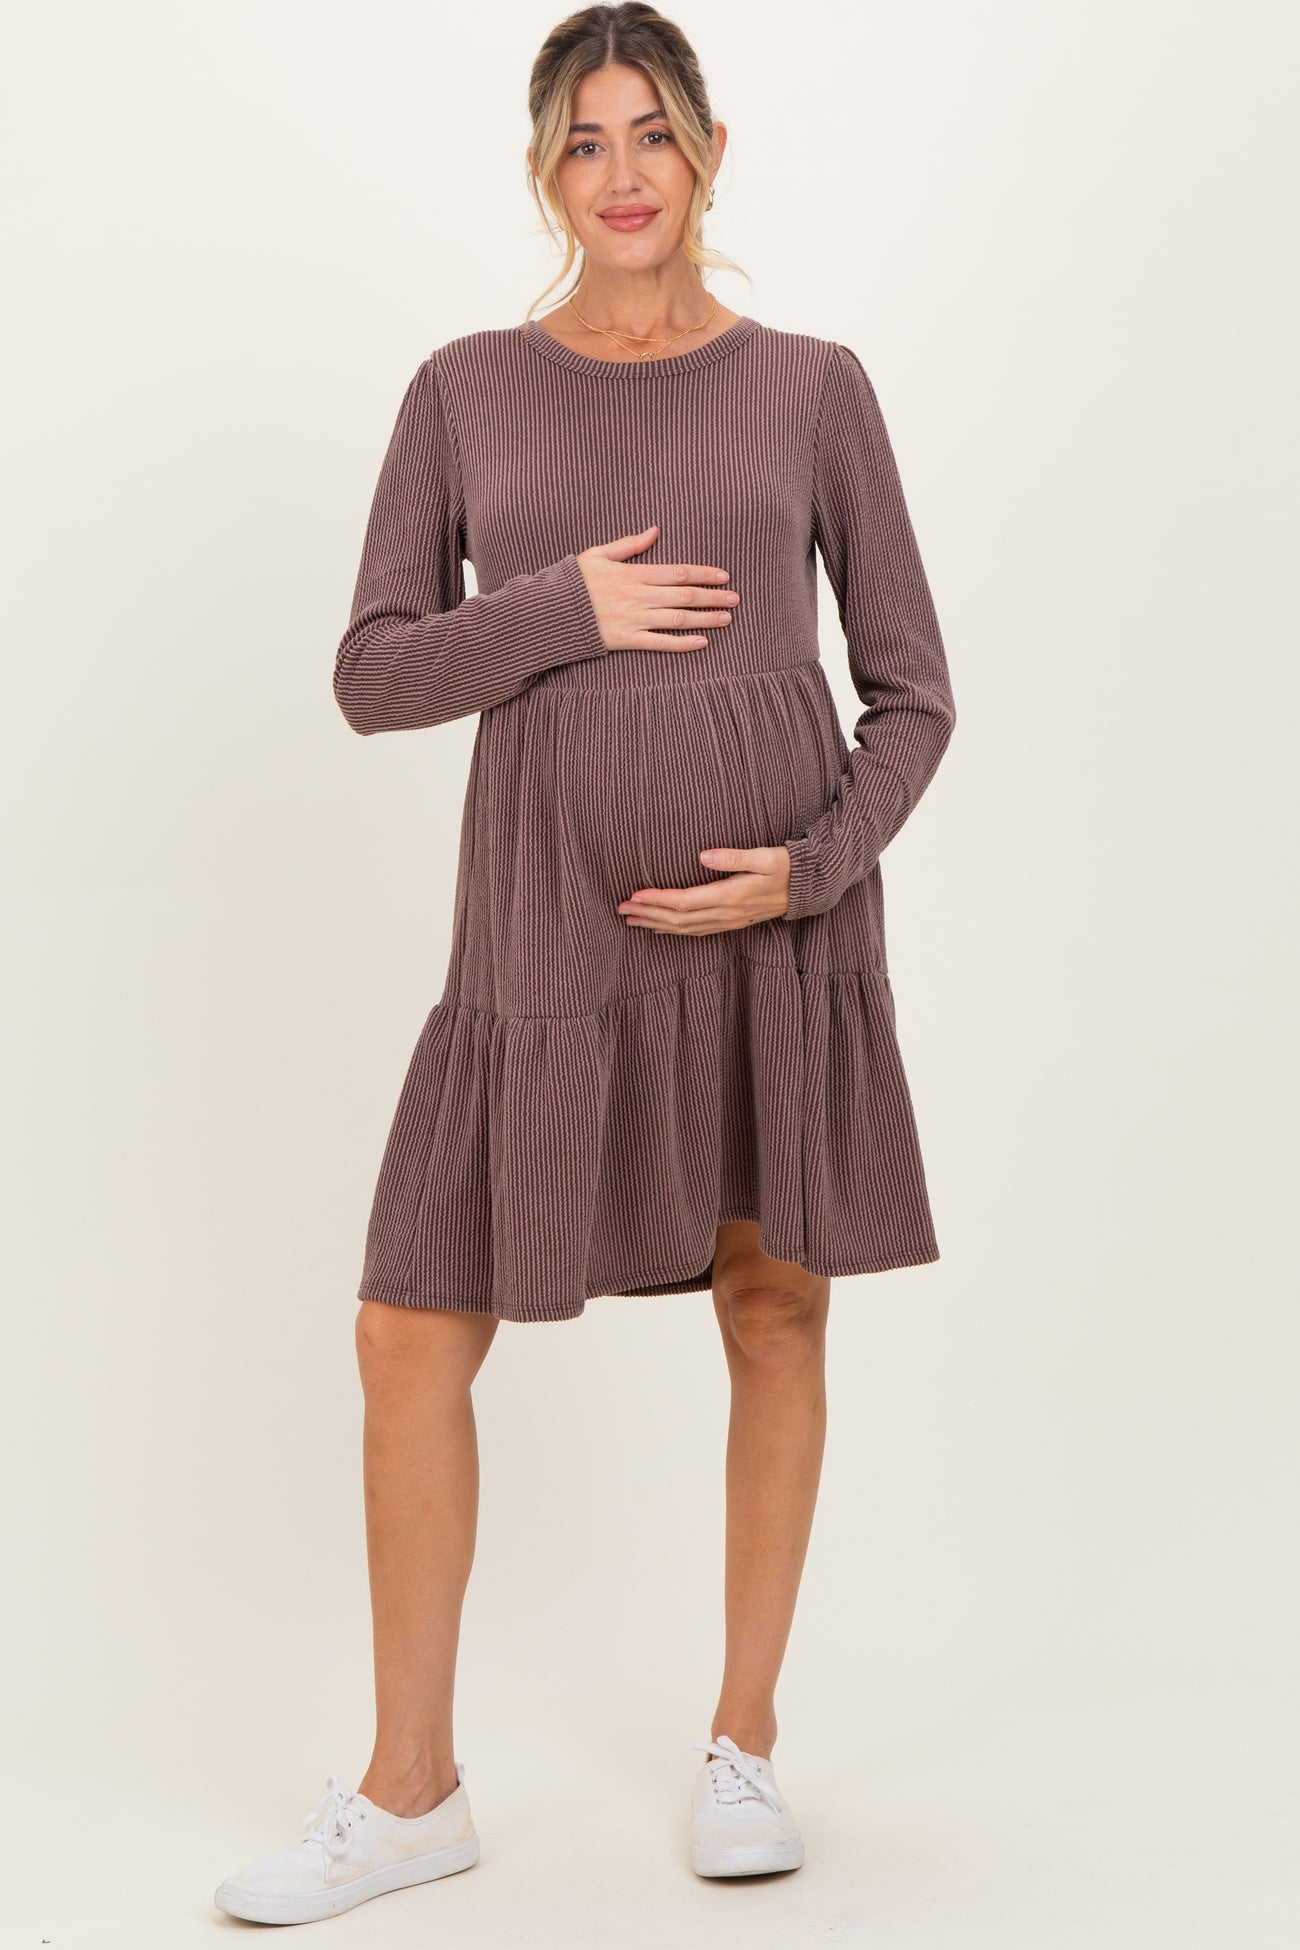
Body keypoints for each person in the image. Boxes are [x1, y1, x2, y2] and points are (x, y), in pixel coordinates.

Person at [214, 1, 956, 1924]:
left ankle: (744, 1739)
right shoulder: (465, 387)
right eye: (581, 141)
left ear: (709, 151)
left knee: (774, 1305)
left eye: (650, 134)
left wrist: (805, 871)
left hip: (769, 942)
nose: (620, 175)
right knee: (407, 1326)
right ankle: (411, 1790)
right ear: (542, 170)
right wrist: (563, 607)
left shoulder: (812, 386)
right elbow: (376, 673)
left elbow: (915, 694)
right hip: (541, 947)